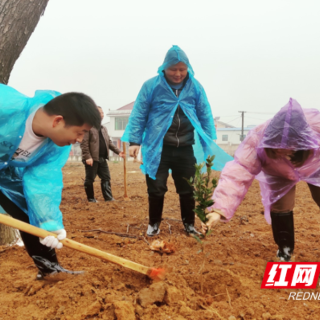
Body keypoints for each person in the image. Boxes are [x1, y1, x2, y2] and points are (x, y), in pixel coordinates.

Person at [122, 45, 232, 237]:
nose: (178, 73)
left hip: (185, 148)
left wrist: (209, 140)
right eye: (174, 69)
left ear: (188, 68)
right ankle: (154, 224)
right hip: (158, 148)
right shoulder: (151, 86)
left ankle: (189, 224)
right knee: (156, 189)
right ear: (164, 68)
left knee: (188, 189)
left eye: (182, 69)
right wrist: (134, 141)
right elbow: (139, 113)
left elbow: (204, 112)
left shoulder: (195, 86)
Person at [0, 84, 101, 279]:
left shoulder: (55, 146)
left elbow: (42, 182)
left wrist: (48, 224)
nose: (80, 140)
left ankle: (49, 269)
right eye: (79, 132)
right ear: (58, 121)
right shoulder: (6, 106)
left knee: (27, 212)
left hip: (4, 173)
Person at [203, 98, 320, 262]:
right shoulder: (257, 139)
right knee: (280, 205)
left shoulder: (317, 126)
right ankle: (284, 251)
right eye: (277, 147)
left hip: (316, 166)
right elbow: (239, 172)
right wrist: (218, 210)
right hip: (279, 172)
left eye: (290, 147)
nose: (283, 151)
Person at [80, 106, 125, 202]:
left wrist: (119, 152)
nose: (101, 114)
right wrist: (87, 157)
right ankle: (91, 199)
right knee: (90, 179)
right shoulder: (87, 127)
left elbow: (109, 143)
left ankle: (108, 198)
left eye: (102, 112)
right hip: (92, 158)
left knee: (106, 178)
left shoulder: (103, 128)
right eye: (99, 112)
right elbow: (84, 144)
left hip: (102, 158)